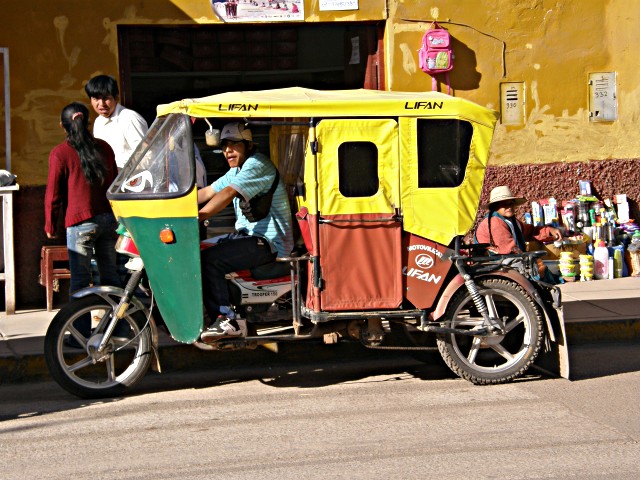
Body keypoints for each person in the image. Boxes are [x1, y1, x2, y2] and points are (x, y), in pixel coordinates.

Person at [198, 122, 294, 340]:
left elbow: (229, 193)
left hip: (268, 241)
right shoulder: (237, 170)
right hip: (248, 236)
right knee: (198, 251)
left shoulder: (257, 165)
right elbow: (207, 192)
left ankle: (226, 320)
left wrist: (200, 216)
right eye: (224, 146)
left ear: (248, 145)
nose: (228, 151)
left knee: (211, 260)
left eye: (234, 145)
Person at [44, 102, 121, 341]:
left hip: (80, 223)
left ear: (62, 126)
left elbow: (53, 194)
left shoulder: (60, 152)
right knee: (111, 276)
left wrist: (50, 225)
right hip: (108, 220)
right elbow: (114, 184)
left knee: (80, 280)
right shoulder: (104, 148)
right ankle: (118, 328)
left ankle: (79, 334)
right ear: (87, 122)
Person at [84, 74, 148, 170]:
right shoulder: (98, 122)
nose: (101, 104)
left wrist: (122, 172)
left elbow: (147, 155)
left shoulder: (129, 118)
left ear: (116, 97)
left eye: (106, 98)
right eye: (96, 99)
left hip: (132, 181)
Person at [475, 185, 563, 254]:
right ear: (496, 207)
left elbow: (529, 232)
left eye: (511, 204)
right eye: (504, 204)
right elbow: (509, 250)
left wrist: (549, 230)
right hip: (497, 263)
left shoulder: (512, 221)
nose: (509, 207)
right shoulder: (495, 222)